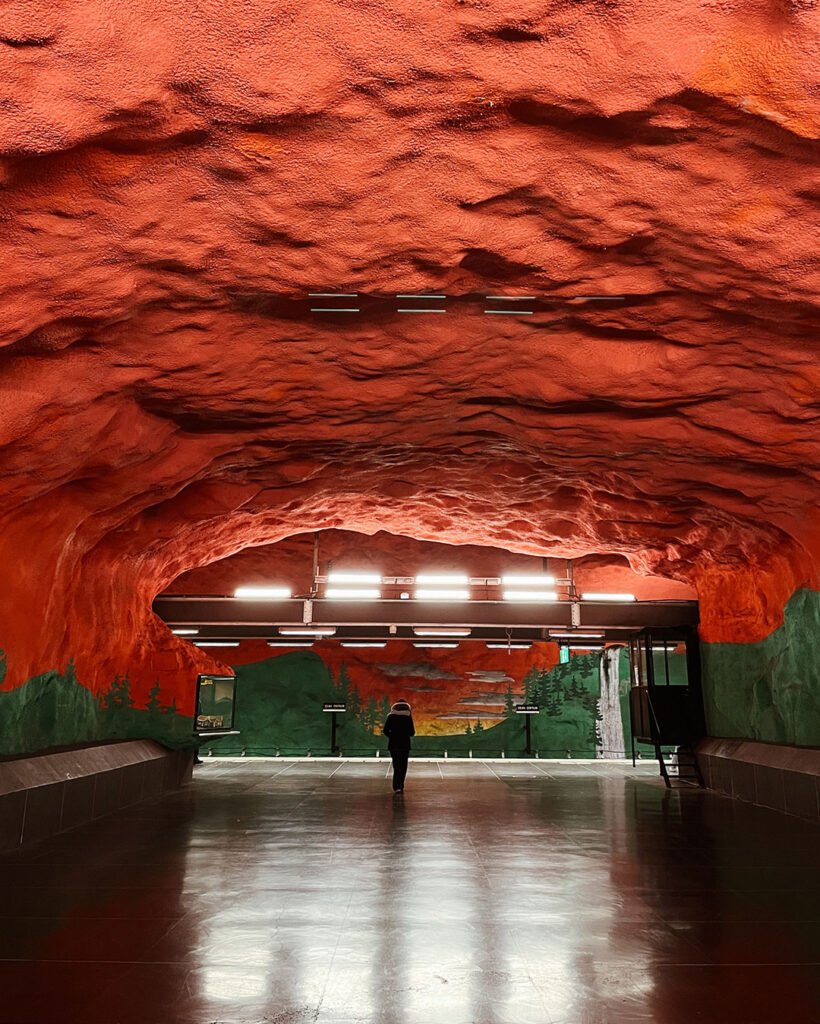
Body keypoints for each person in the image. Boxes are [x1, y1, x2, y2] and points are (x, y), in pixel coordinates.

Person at [382, 699, 415, 795]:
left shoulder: (391, 717)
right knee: (403, 766)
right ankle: (401, 785)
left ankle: (396, 787)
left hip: (394, 744)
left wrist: (392, 736)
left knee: (396, 766)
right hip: (405, 744)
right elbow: (412, 732)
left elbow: (385, 730)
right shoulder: (408, 717)